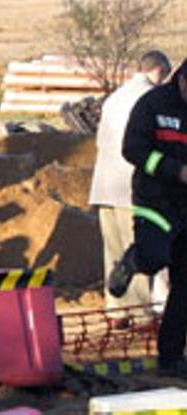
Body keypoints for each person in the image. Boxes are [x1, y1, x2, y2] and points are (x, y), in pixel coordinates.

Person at [109, 58, 187, 376]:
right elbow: (134, 149)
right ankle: (134, 259)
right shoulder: (153, 104)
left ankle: (170, 358)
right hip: (155, 201)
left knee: (184, 287)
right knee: (154, 258)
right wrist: (175, 170)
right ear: (182, 81)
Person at [90, 50, 171, 313]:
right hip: (129, 187)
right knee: (137, 249)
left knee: (113, 250)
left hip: (103, 184)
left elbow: (100, 141)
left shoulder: (115, 97)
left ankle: (116, 309)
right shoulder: (149, 99)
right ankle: (139, 314)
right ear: (159, 70)